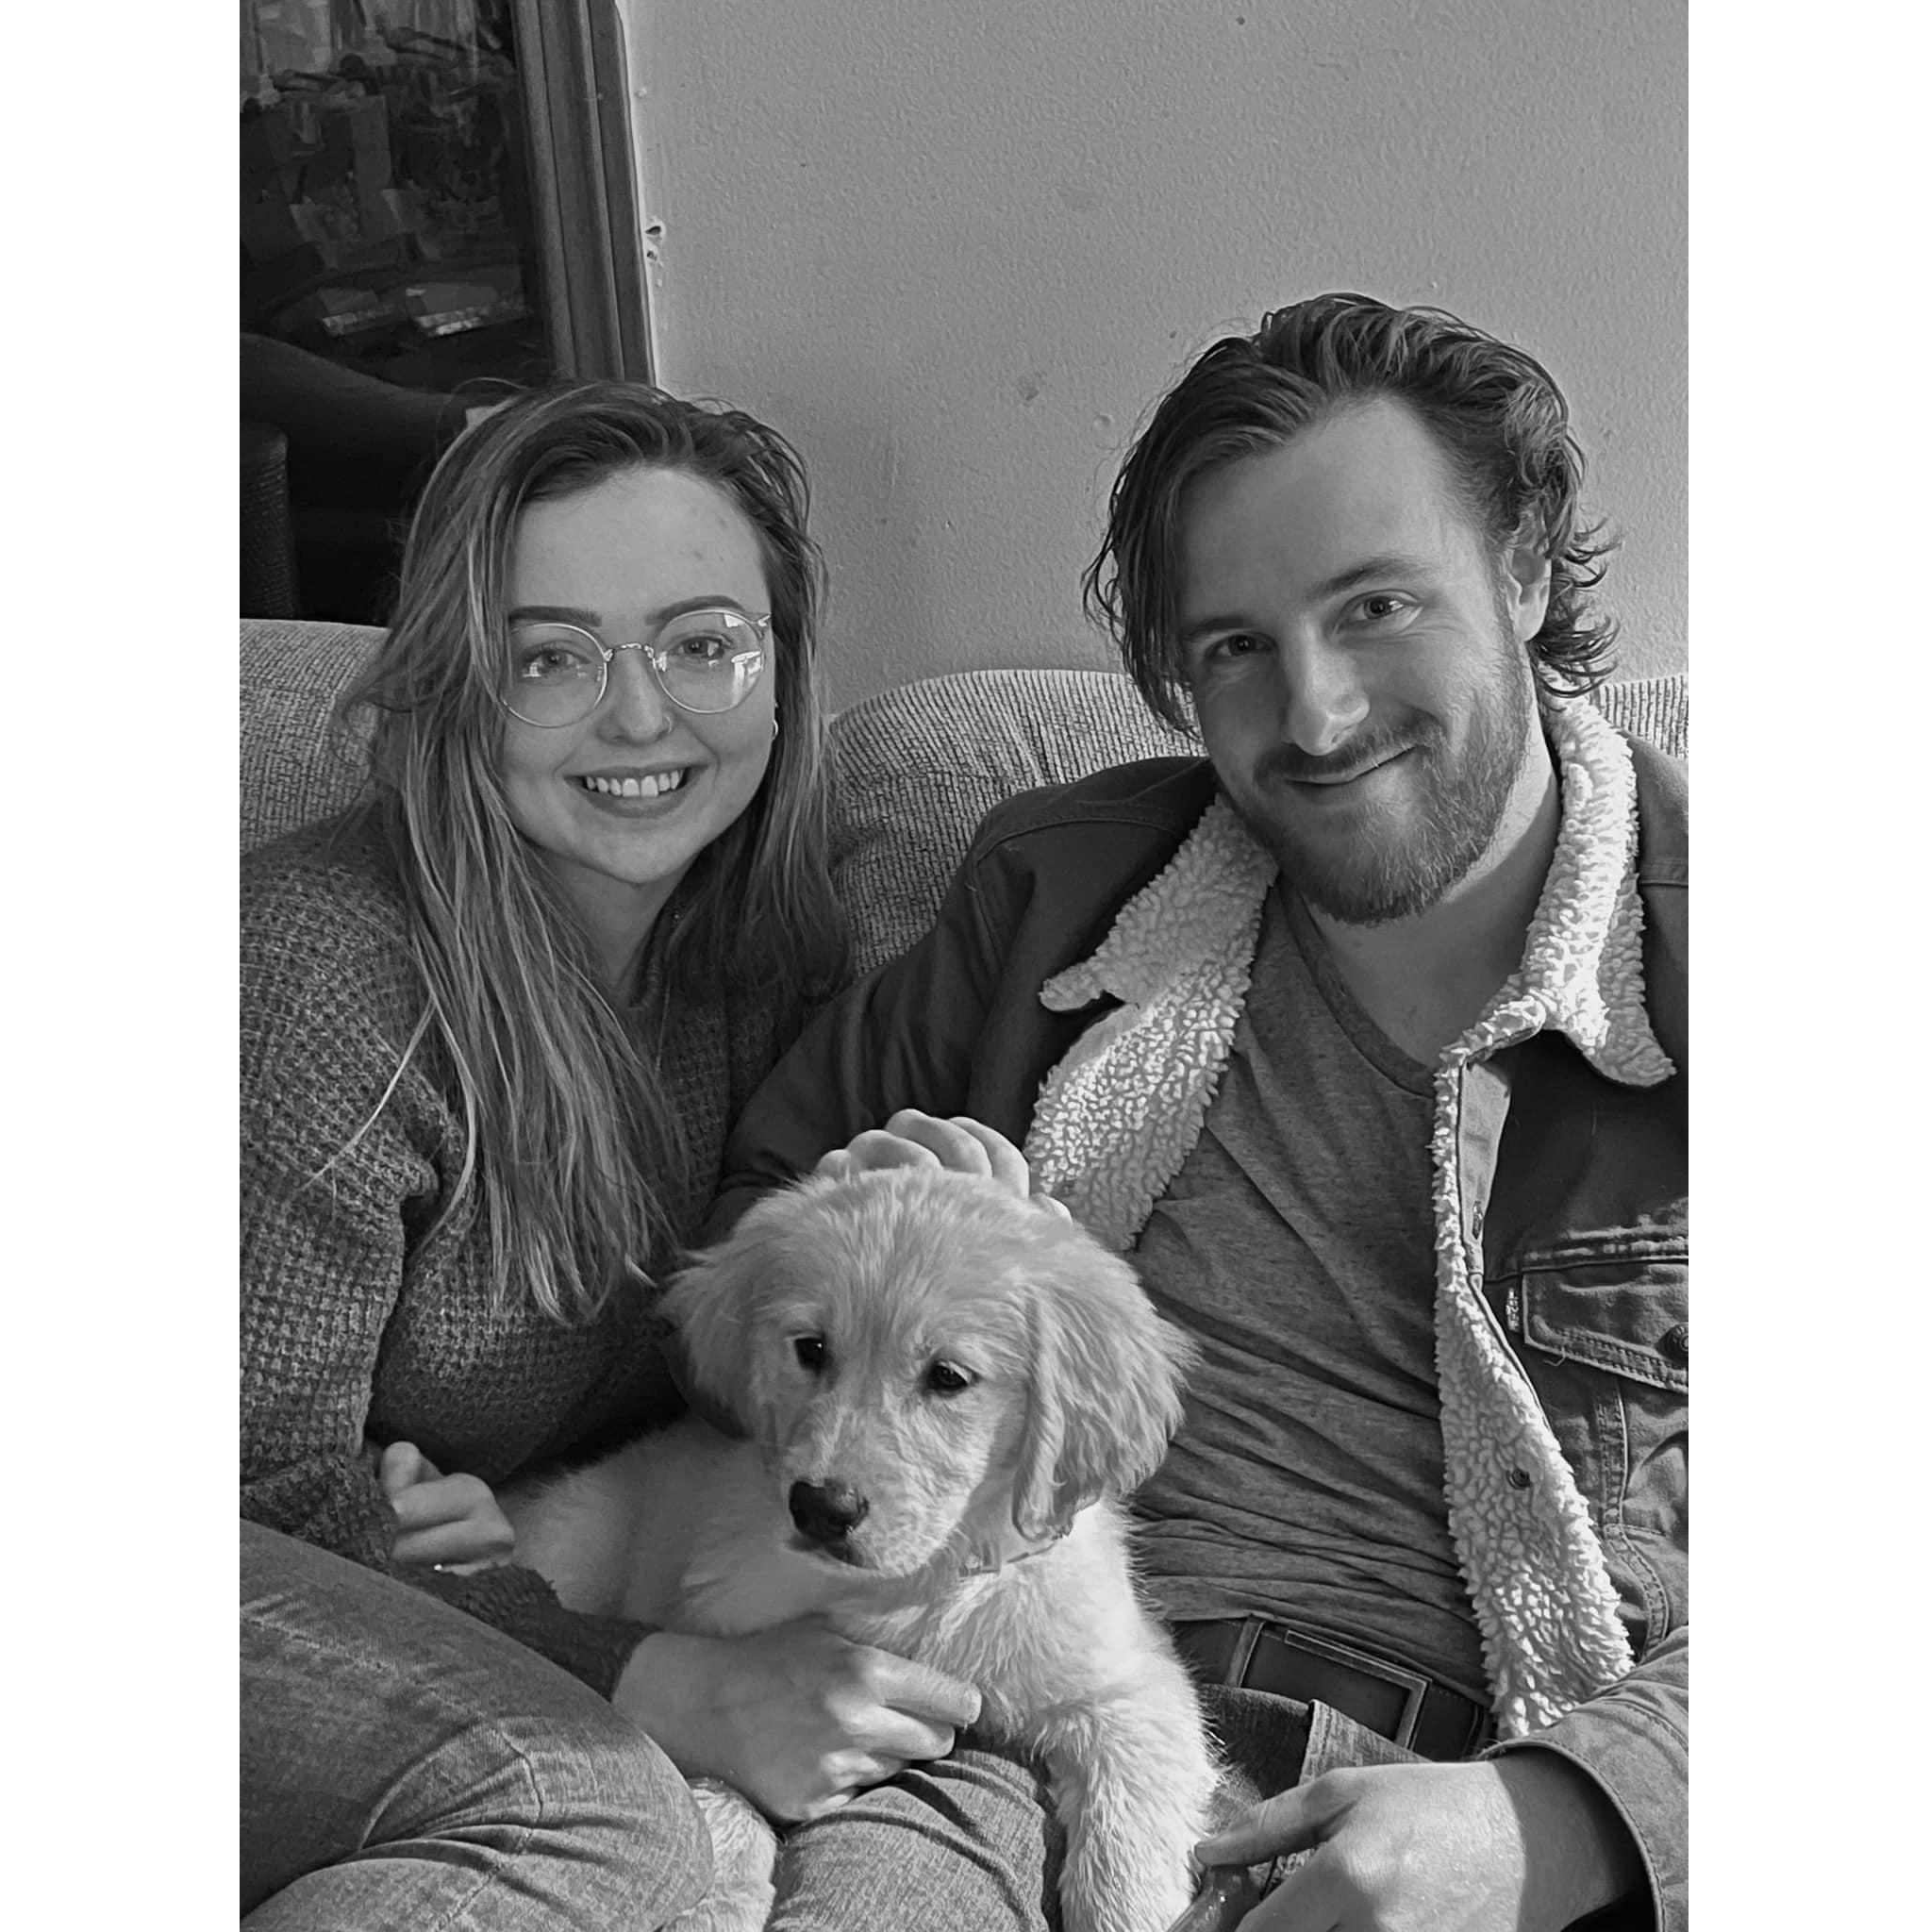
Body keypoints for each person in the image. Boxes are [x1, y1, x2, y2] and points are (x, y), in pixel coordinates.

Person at [710, 293, 1687, 1931]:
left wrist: (1570, 1817)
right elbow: (738, 1242)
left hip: (1469, 1797)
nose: (1315, 714)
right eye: (1235, 646)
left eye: (1377, 605)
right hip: (1004, 1733)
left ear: (1523, 570)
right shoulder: (1059, 897)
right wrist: (846, 1218)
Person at [241, 380, 986, 1928]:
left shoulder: (773, 966)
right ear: (457, 685)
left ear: (781, 669)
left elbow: (732, 1371)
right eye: (550, 657)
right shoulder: (322, 975)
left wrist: (883, 1228)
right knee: (593, 1811)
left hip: (410, 1577)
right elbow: (242, 1476)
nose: (641, 717)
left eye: (701, 644)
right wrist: (634, 1670)